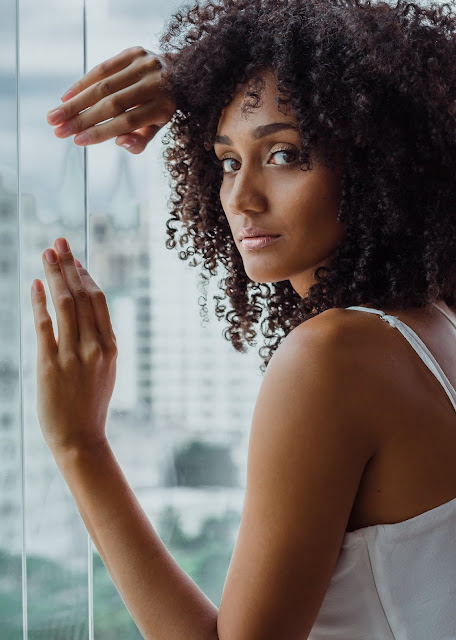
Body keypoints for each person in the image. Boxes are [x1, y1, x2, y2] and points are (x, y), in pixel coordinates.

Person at [32, 0, 456, 637]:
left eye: (284, 154)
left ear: (378, 158)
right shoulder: (436, 322)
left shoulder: (334, 358)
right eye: (228, 160)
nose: (241, 195)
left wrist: (80, 446)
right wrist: (212, 77)